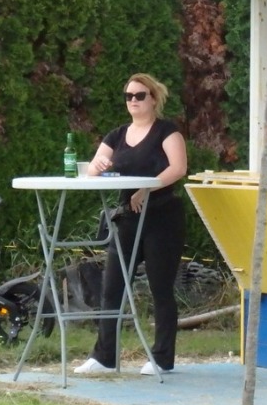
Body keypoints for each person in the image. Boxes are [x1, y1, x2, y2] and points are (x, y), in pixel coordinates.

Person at [74, 73, 188, 376]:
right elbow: (93, 168)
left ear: (153, 98)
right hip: (128, 216)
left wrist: (147, 188)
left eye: (140, 95)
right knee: (111, 286)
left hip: (162, 216)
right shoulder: (117, 135)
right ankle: (104, 357)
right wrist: (98, 166)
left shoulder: (166, 131)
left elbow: (178, 168)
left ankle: (162, 358)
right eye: (129, 96)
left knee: (160, 288)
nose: (133, 101)